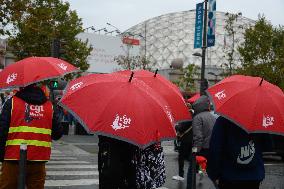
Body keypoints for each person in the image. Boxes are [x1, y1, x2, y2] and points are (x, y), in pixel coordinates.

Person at [0, 84, 63, 189]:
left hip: (13, 158)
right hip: (38, 159)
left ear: (21, 88)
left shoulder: (12, 103)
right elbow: (58, 134)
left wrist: (2, 157)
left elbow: (2, 131)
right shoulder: (49, 106)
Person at [207, 116, 270, 189]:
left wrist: (214, 174)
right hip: (254, 175)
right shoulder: (260, 120)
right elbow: (267, 145)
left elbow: (215, 148)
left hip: (229, 175)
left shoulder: (223, 120)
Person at [186, 95, 216, 189]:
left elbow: (197, 137)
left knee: (191, 170)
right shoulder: (212, 116)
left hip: (202, 149)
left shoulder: (197, 118)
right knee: (213, 172)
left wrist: (195, 151)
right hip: (212, 148)